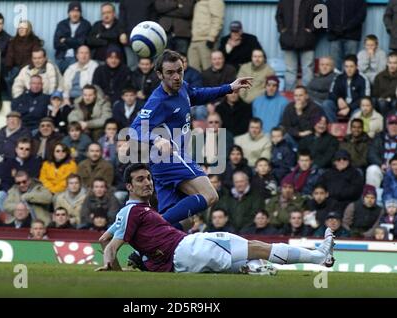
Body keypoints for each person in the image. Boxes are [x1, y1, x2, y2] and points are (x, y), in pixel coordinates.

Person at [97, 163, 335, 273]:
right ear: (128, 186)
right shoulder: (133, 211)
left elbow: (103, 239)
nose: (148, 182)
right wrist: (116, 274)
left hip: (181, 263)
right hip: (188, 247)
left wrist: (121, 271)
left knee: (254, 264)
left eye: (148, 177)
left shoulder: (128, 214)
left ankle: (252, 270)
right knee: (258, 248)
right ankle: (319, 257)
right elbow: (110, 248)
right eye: (140, 180)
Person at [129, 50, 253, 224]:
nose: (176, 76)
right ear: (159, 75)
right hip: (170, 158)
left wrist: (229, 88)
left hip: (163, 165)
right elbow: (134, 129)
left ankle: (148, 243)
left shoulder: (182, 87)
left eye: (179, 71)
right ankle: (154, 226)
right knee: (209, 196)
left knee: (180, 223)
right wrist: (157, 139)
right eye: (170, 73)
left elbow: (197, 94)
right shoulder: (158, 101)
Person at [276, 0, 318, 90]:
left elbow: (321, 16)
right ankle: (290, 96)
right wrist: (282, 30)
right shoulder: (284, 1)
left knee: (308, 69)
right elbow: (278, 16)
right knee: (290, 70)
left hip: (307, 41)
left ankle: (307, 96)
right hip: (288, 40)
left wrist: (311, 29)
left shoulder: (314, 0)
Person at [321, 55, 370, 123]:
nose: (348, 69)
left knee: (360, 110)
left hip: (355, 107)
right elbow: (331, 93)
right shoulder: (338, 77)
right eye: (346, 66)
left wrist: (349, 108)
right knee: (326, 104)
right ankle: (335, 126)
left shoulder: (363, 79)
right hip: (340, 106)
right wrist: (338, 99)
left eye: (351, 66)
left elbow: (365, 98)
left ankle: (351, 130)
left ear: (356, 67)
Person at [326, 0, 367, 71]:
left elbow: (361, 15)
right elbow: (325, 13)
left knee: (350, 65)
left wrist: (346, 27)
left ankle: (349, 82)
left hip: (352, 35)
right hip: (334, 35)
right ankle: (337, 82)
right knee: (335, 66)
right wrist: (333, 28)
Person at [187, 0, 225, 72]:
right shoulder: (198, 2)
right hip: (194, 39)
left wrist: (212, 37)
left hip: (206, 39)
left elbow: (218, 19)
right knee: (193, 69)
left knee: (208, 69)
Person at [53, 1, 91, 73]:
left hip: (76, 59)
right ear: (68, 13)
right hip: (61, 58)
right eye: (72, 11)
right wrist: (74, 42)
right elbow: (56, 44)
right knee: (58, 81)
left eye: (77, 11)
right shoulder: (62, 24)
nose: (75, 14)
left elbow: (82, 43)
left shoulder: (86, 25)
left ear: (80, 13)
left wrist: (66, 40)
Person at [5, 20, 43, 91]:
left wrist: (25, 67)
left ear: (28, 29)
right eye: (19, 28)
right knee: (9, 79)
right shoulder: (13, 41)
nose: (21, 30)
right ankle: (14, 100)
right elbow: (10, 55)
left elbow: (36, 56)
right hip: (15, 67)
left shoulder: (34, 41)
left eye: (23, 28)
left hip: (29, 67)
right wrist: (9, 67)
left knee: (25, 79)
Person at [372, 52, 397, 117]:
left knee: (394, 103)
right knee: (381, 102)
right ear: (387, 63)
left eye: (395, 63)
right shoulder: (379, 76)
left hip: (394, 101)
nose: (392, 65)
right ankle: (385, 122)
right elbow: (375, 93)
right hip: (381, 101)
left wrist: (386, 97)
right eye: (390, 63)